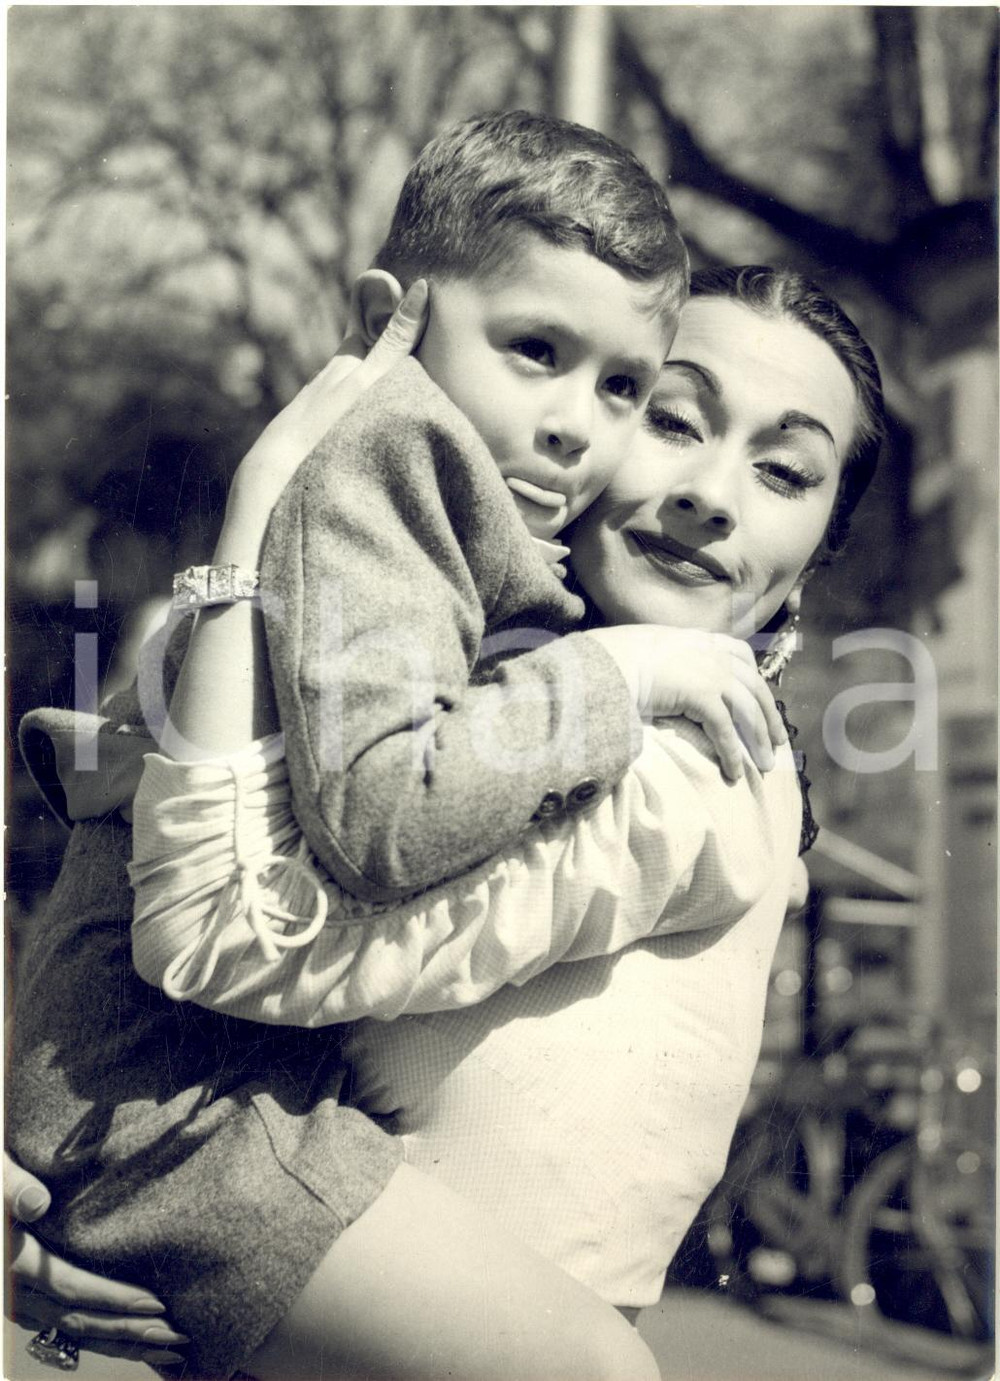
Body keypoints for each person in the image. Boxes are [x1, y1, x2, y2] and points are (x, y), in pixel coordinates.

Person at [8, 264, 884, 1377]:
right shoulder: (450, 695)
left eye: (784, 470)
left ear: (818, 548)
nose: (713, 493)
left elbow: (227, 937)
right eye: (671, 419)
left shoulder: (700, 759)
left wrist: (254, 516)